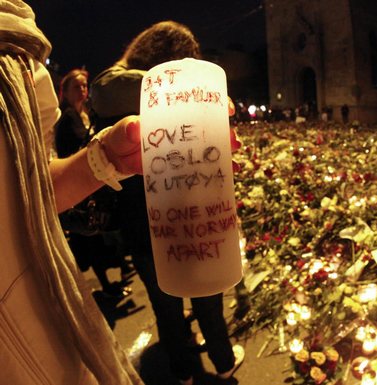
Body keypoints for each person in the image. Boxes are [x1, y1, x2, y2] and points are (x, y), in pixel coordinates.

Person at [90, 20, 244, 385]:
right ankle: (219, 363)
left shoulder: (123, 88)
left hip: (152, 221)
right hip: (163, 219)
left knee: (169, 305)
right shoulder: (119, 84)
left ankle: (184, 369)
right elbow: (103, 89)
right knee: (202, 299)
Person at [0, 1, 142, 383]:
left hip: (52, 317)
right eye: (76, 85)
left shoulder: (13, 46)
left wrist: (107, 156)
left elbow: (30, 189)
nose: (82, 88)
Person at [55, 68, 135, 300]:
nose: (82, 90)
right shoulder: (67, 118)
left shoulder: (87, 115)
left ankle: (112, 280)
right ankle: (106, 286)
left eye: (84, 85)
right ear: (65, 92)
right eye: (76, 87)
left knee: (100, 239)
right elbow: (67, 155)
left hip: (94, 183)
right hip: (79, 190)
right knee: (92, 241)